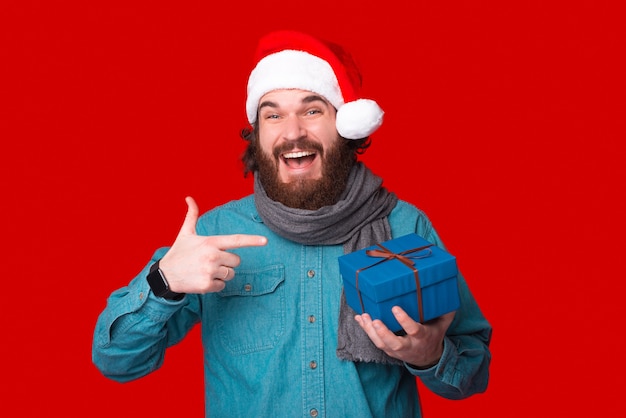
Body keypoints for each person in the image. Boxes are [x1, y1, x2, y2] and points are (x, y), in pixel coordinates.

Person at [92, 29, 492, 417]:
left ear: (344, 127)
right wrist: (163, 282)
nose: (293, 131)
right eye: (274, 115)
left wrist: (430, 356)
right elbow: (117, 361)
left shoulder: (405, 225)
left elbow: (473, 371)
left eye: (312, 110)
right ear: (258, 134)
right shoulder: (215, 236)